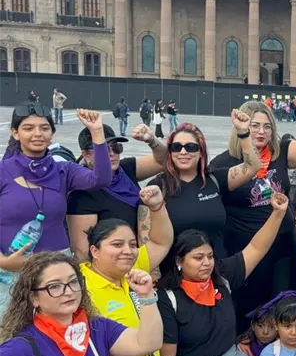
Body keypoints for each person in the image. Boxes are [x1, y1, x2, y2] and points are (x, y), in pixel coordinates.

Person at [157, 193, 290, 356]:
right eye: (197, 258)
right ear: (179, 261)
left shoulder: (222, 277)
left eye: (209, 256)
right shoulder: (167, 297)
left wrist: (278, 213)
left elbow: (257, 247)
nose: (206, 263)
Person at [0, 251, 162, 356]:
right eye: (54, 286)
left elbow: (147, 343)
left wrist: (146, 296)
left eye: (73, 282)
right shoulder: (18, 350)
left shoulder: (96, 328)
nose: (68, 291)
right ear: (34, 297)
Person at [211, 97, 296, 332]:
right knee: (248, 313)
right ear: (241, 126)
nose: (261, 132)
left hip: (283, 248)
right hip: (246, 250)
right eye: (254, 125)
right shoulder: (224, 163)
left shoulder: (279, 153)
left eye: (267, 126)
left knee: (284, 310)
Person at [0, 106, 112, 313]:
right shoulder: (2, 171)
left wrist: (97, 132)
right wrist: (4, 261)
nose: (37, 134)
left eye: (44, 128)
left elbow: (101, 179)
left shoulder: (63, 170)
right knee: (9, 337)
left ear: (51, 133)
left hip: (56, 272)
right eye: (28, 128)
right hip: (8, 273)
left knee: (56, 332)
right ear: (15, 133)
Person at [80, 186, 173, 356]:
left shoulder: (130, 271)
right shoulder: (78, 287)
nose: (128, 251)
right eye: (117, 244)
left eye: (132, 244)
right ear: (94, 250)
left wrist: (156, 207)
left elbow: (162, 241)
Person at [147, 114, 260, 260]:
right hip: (174, 277)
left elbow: (252, 166)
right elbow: (147, 240)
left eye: (190, 147)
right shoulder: (158, 187)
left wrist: (244, 133)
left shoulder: (215, 179)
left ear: (201, 152)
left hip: (216, 272)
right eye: (176, 147)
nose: (183, 152)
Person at [67, 123, 167, 261]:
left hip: (142, 260)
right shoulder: (83, 193)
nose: (112, 153)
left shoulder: (125, 169)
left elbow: (164, 161)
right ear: (86, 156)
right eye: (103, 150)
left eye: (116, 147)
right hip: (113, 266)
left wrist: (152, 140)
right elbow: (82, 252)